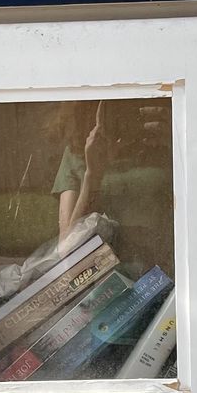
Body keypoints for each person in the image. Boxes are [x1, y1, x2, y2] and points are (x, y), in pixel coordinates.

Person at [50, 99, 173, 274]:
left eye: (128, 107)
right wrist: (93, 174)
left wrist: (176, 137)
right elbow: (67, 250)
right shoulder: (78, 153)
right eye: (108, 108)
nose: (118, 118)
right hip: (103, 277)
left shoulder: (159, 145)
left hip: (165, 271)